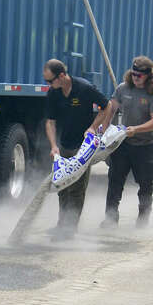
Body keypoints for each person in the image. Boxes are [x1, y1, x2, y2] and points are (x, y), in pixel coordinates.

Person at [43, 58, 110, 239]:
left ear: (62, 76)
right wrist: (53, 146)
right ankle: (61, 224)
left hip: (83, 147)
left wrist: (93, 128)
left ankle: (70, 228)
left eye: (50, 81)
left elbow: (107, 106)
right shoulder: (54, 94)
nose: (49, 84)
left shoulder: (84, 88)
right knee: (63, 186)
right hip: (65, 145)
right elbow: (50, 122)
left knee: (77, 188)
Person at [99, 56, 153, 228]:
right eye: (133, 74)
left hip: (145, 146)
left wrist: (136, 129)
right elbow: (111, 108)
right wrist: (103, 130)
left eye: (139, 76)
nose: (135, 78)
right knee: (114, 181)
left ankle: (143, 220)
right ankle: (110, 219)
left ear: (148, 76)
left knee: (145, 184)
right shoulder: (123, 88)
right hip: (123, 144)